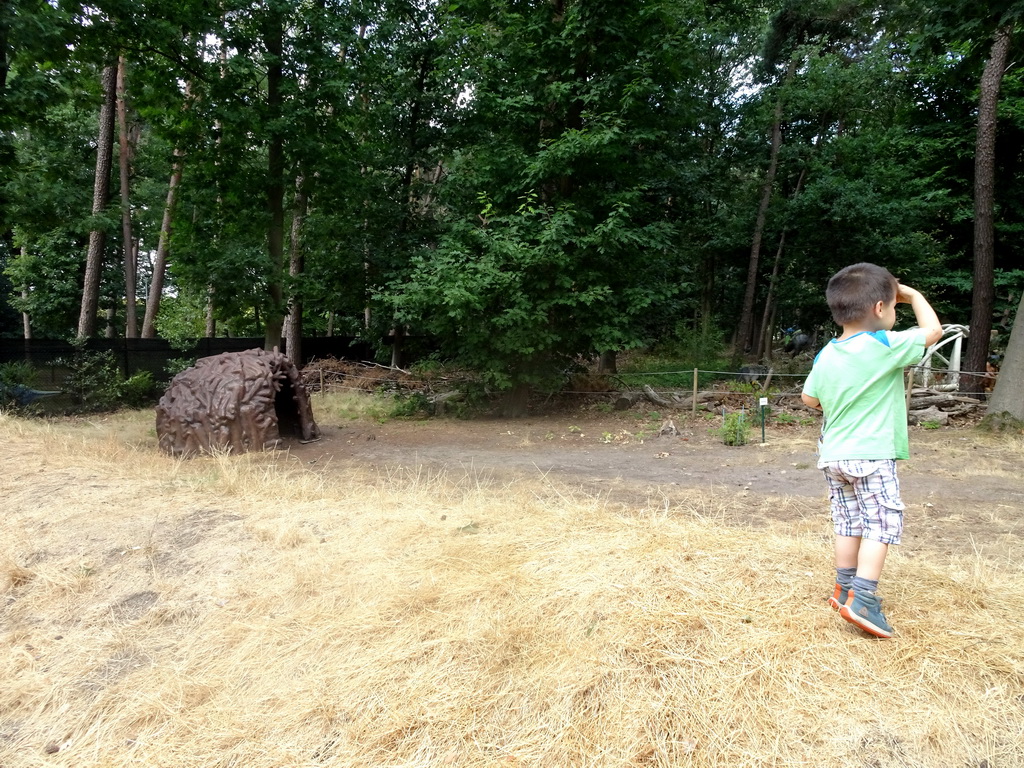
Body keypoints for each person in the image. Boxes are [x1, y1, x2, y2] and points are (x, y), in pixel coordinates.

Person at [801, 263, 942, 638]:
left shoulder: (827, 353)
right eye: (894, 305)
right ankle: (863, 599)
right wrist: (912, 295)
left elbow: (809, 398)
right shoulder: (884, 344)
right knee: (880, 523)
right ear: (881, 308)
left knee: (849, 522)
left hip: (833, 454)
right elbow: (933, 332)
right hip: (872, 454)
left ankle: (843, 589)